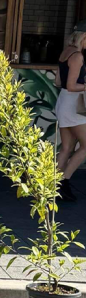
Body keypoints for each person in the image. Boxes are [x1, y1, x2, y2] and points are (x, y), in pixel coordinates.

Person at [54, 26, 86, 201]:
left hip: (64, 102)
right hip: (74, 105)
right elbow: (72, 85)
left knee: (67, 147)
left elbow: (58, 81)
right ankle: (63, 182)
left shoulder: (65, 52)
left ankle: (55, 184)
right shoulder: (78, 56)